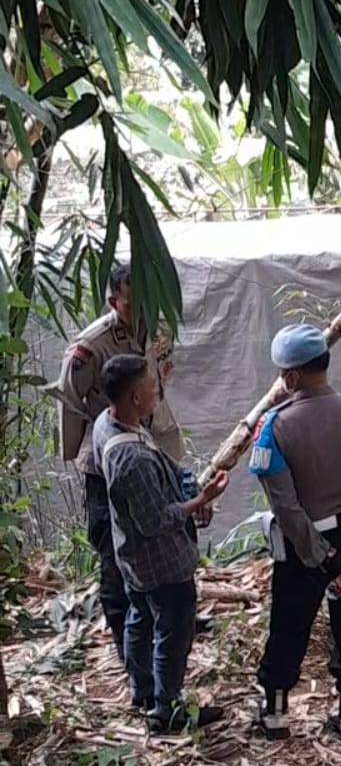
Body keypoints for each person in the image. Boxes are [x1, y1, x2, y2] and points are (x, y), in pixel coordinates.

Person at [248, 325, 341, 743]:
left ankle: (275, 714)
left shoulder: (275, 427)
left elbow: (285, 505)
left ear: (291, 377)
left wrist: (316, 552)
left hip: (302, 548)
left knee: (289, 623)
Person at [54, 264, 187, 661]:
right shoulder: (91, 346)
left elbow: (160, 383)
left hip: (154, 447)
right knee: (115, 555)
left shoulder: (160, 332)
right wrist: (83, 454)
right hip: (109, 460)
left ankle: (161, 632)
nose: (143, 309)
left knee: (160, 543)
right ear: (115, 301)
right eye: (134, 301)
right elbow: (69, 401)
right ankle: (129, 650)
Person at [93, 355, 228, 733]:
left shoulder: (107, 423)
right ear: (135, 398)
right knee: (172, 631)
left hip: (131, 557)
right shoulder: (131, 459)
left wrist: (186, 487)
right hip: (161, 563)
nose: (157, 393)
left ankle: (143, 691)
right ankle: (166, 710)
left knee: (140, 617)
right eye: (152, 387)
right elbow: (155, 522)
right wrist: (200, 501)